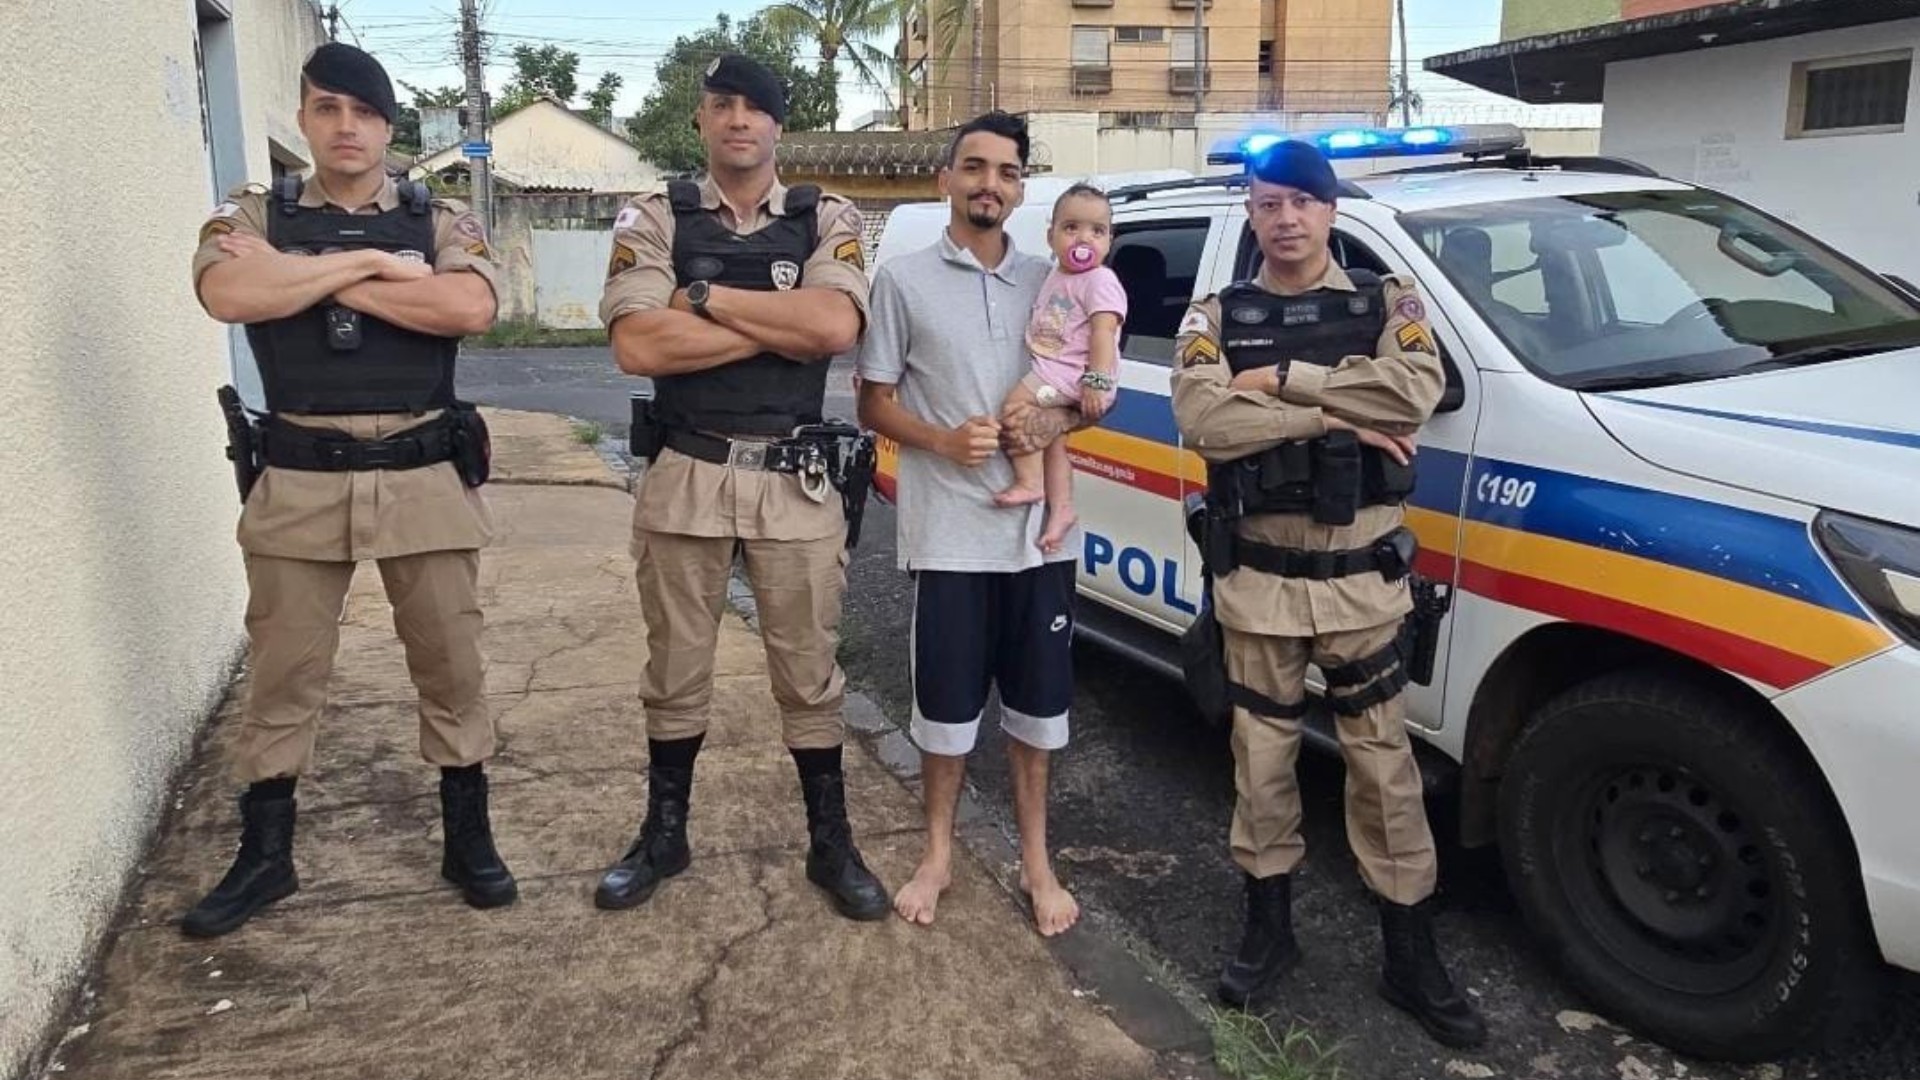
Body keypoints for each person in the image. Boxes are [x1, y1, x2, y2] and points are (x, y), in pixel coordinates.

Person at [185, 43, 512, 937]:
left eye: (364, 113)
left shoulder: (438, 215)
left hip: (422, 473)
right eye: (327, 108)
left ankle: (467, 837)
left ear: (388, 127)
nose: (346, 127)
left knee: (451, 665)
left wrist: (306, 277)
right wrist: (379, 269)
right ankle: (265, 855)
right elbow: (228, 291)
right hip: (300, 475)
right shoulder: (258, 210)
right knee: (283, 673)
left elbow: (470, 308)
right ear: (303, 117)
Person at [1170, 139, 1487, 1047]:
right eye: (1268, 203)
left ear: (1330, 210)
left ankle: (1408, 955)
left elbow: (1413, 393)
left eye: (1301, 202)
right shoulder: (1215, 313)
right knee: (1261, 765)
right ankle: (1269, 931)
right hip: (1260, 585)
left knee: (1384, 771)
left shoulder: (1387, 302)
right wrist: (1329, 413)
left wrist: (1278, 380)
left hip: (1362, 586)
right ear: (1252, 212)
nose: (1285, 219)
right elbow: (1203, 417)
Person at [594, 55, 886, 920]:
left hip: (794, 477)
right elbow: (639, 346)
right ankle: (664, 836)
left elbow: (833, 326)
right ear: (701, 120)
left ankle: (830, 844)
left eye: (755, 108)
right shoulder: (656, 214)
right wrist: (778, 329)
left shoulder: (826, 216)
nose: (738, 120)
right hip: (687, 468)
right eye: (722, 105)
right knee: (675, 668)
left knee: (809, 673)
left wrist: (701, 298)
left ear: (777, 125)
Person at [854, 111, 1082, 937]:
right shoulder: (902, 280)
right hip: (950, 536)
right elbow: (873, 401)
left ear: (1021, 189)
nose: (991, 184)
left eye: (1008, 172)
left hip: (1041, 542)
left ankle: (1037, 863)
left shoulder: (1050, 280)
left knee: (1037, 717)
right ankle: (938, 855)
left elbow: (1088, 391)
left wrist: (1055, 422)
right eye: (976, 167)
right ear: (945, 178)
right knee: (946, 718)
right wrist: (942, 442)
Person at [989, 183, 1125, 554]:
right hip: (1061, 372)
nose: (1084, 239)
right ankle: (1062, 508)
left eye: (1097, 231)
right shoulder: (1058, 275)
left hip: (1071, 378)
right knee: (1054, 441)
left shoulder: (1100, 280)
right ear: (1051, 237)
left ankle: (1030, 482)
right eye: (1071, 228)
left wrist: (1096, 381)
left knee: (1015, 405)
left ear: (1109, 241)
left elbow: (1104, 333)